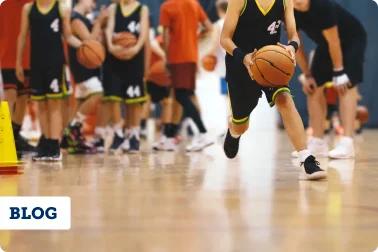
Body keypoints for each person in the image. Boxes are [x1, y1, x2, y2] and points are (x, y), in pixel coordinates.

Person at [220, 0, 326, 180]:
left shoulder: (285, 2)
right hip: (240, 65)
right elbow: (225, 39)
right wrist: (244, 57)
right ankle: (234, 131)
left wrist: (292, 47)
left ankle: (306, 158)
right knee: (241, 124)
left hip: (271, 63)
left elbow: (293, 35)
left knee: (285, 100)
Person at [293, 0, 367, 159]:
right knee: (313, 88)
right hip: (327, 44)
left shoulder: (322, 5)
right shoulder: (288, 11)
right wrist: (307, 75)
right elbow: (296, 44)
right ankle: (317, 142)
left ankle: (347, 143)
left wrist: (339, 71)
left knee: (345, 85)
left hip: (352, 39)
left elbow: (335, 41)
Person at [16, 0, 82, 161]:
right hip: (36, 64)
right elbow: (22, 35)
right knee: (41, 105)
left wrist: (84, 45)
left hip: (55, 64)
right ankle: (46, 145)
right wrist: (18, 63)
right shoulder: (28, 8)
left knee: (54, 106)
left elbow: (68, 36)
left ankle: (54, 146)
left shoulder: (61, 8)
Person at [159, 0, 214, 152]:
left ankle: (203, 132)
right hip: (191, 57)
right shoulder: (193, 4)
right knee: (183, 95)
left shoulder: (167, 7)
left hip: (177, 58)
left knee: (181, 96)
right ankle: (169, 137)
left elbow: (166, 37)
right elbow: (209, 28)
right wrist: (195, 39)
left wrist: (167, 59)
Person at [62, 0, 108, 154]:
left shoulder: (84, 18)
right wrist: (99, 22)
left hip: (88, 64)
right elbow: (90, 41)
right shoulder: (75, 18)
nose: (93, 5)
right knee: (97, 94)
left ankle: (72, 138)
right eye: (92, 1)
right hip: (82, 64)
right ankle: (73, 126)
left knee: (82, 100)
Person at [105, 0, 149, 153]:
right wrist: (111, 47)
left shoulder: (142, 9)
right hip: (114, 57)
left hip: (134, 58)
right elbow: (109, 29)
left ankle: (134, 135)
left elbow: (143, 33)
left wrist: (136, 49)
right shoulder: (113, 8)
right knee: (113, 97)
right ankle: (118, 133)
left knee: (134, 100)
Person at [0, 0, 36, 155]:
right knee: (10, 97)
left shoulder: (33, 5)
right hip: (7, 57)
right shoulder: (4, 6)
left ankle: (15, 137)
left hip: (28, 58)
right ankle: (4, 140)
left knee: (23, 98)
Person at [206, 0, 228, 135]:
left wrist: (206, 57)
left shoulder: (218, 25)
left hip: (225, 68)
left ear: (219, 10)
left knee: (228, 98)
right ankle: (236, 126)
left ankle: (230, 127)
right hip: (240, 65)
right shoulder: (237, 22)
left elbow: (214, 46)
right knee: (236, 97)